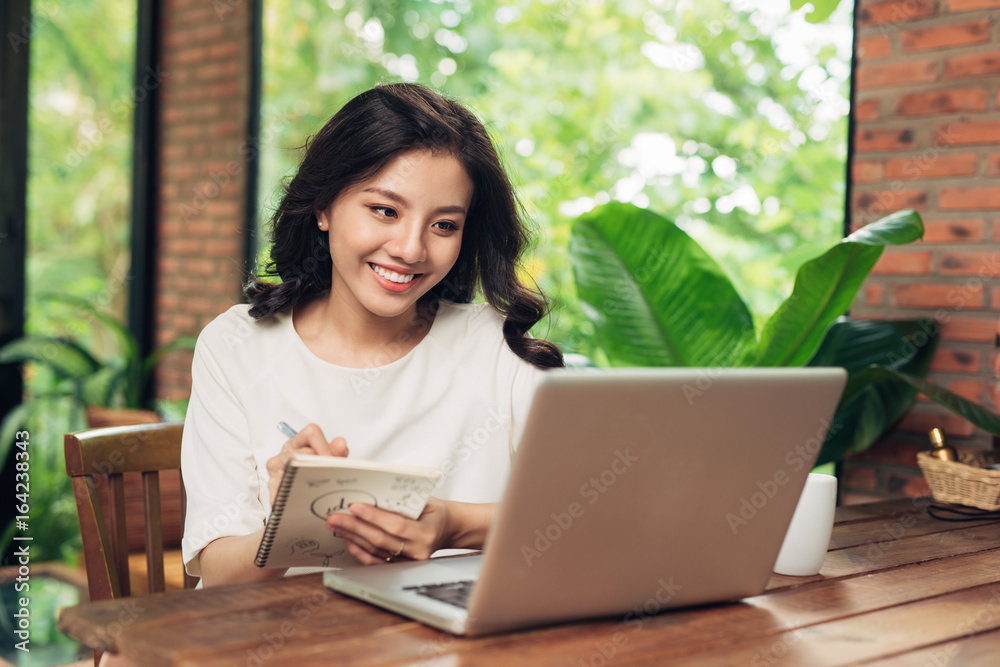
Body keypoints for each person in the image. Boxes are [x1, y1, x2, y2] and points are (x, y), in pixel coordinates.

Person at [180, 83, 563, 587]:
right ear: (323, 206)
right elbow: (218, 573)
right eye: (385, 210)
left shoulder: (496, 346)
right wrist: (288, 524)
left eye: (444, 225)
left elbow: (587, 516)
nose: (410, 248)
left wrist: (454, 525)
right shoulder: (237, 345)